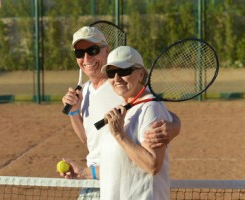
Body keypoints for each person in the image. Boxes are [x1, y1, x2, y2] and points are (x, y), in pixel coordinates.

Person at [61, 26, 180, 198]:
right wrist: (74, 113)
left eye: (93, 50)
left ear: (106, 51)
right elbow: (91, 138)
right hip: (98, 179)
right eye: (79, 53)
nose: (86, 57)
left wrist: (175, 126)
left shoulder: (124, 91)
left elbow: (155, 110)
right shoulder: (85, 91)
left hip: (121, 181)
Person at [99, 46, 171, 199]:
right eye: (111, 73)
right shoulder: (123, 107)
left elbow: (152, 165)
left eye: (124, 71)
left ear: (140, 74)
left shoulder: (151, 108)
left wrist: (119, 135)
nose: (116, 78)